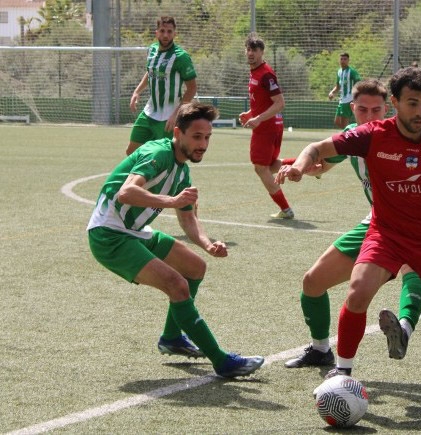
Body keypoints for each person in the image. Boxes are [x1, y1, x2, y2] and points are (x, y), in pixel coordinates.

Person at [277, 67, 421, 390]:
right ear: (396, 102)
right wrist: (300, 168)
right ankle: (342, 371)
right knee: (357, 291)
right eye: (413, 103)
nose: (420, 112)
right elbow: (317, 150)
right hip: (385, 234)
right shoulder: (372, 135)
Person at [88, 102, 264, 378]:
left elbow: (187, 218)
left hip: (134, 231)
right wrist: (172, 200)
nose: (203, 144)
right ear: (178, 133)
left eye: (207, 138)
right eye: (196, 137)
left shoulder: (183, 171)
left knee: (195, 267)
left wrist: (207, 244)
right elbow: (126, 193)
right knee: (177, 285)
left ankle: (171, 338)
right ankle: (222, 361)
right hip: (109, 235)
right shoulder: (158, 153)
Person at [282, 79, 421, 369]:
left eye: (377, 110)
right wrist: (301, 169)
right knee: (313, 282)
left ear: (388, 109)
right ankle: (321, 349)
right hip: (376, 221)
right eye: (363, 110)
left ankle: (404, 328)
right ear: (352, 109)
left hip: (414, 221)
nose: (370, 117)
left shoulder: (404, 135)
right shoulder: (351, 136)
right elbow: (322, 160)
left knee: (412, 267)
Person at [238, 34, 293, 219]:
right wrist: (250, 114)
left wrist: (259, 118)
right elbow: (263, 102)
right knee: (269, 166)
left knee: (261, 168)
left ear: (262, 52)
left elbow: (280, 103)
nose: (251, 53)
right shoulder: (255, 72)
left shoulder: (266, 74)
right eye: (248, 49)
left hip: (267, 128)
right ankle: (308, 164)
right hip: (270, 126)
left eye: (255, 50)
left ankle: (286, 209)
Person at [126, 16, 198, 156]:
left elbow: (192, 88)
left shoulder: (181, 57)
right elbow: (150, 72)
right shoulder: (151, 50)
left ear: (175, 33)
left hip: (169, 117)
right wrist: (137, 92)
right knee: (131, 152)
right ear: (156, 32)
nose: (166, 35)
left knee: (169, 157)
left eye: (169, 31)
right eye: (162, 31)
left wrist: (177, 113)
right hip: (149, 113)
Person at [328, 53, 361, 129]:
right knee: (337, 121)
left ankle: (349, 137)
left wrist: (356, 96)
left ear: (348, 60)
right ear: (339, 60)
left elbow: (359, 84)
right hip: (342, 100)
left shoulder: (352, 72)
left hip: (349, 100)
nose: (343, 61)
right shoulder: (339, 72)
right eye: (341, 59)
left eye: (345, 59)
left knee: (344, 125)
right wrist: (332, 92)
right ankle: (354, 132)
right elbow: (338, 86)